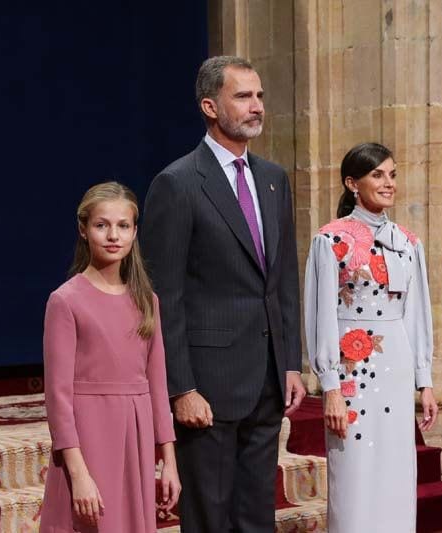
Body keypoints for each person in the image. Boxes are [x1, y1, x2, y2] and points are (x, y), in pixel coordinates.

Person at [140, 55, 306, 532]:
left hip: (269, 380)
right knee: (211, 518)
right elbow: (163, 296)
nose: (256, 107)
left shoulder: (274, 179)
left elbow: (283, 282)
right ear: (210, 106)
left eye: (259, 96)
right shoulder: (177, 183)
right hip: (208, 386)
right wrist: (182, 388)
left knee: (258, 517)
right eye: (243, 96)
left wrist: (291, 362)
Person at [303, 142, 438, 532]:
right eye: (377, 174)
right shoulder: (330, 241)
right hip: (351, 373)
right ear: (352, 183)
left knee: (396, 471)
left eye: (392, 174)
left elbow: (417, 315)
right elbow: (320, 315)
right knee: (355, 473)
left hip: (395, 367)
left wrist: (424, 381)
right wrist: (329, 385)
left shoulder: (409, 243)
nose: (388, 182)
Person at [41, 182, 180, 532]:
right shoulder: (66, 301)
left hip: (135, 436)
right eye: (102, 225)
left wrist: (170, 461)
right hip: (88, 438)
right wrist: (78, 473)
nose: (113, 235)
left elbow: (158, 385)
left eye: (123, 226)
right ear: (83, 230)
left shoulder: (147, 300)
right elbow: (58, 398)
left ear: (135, 232)